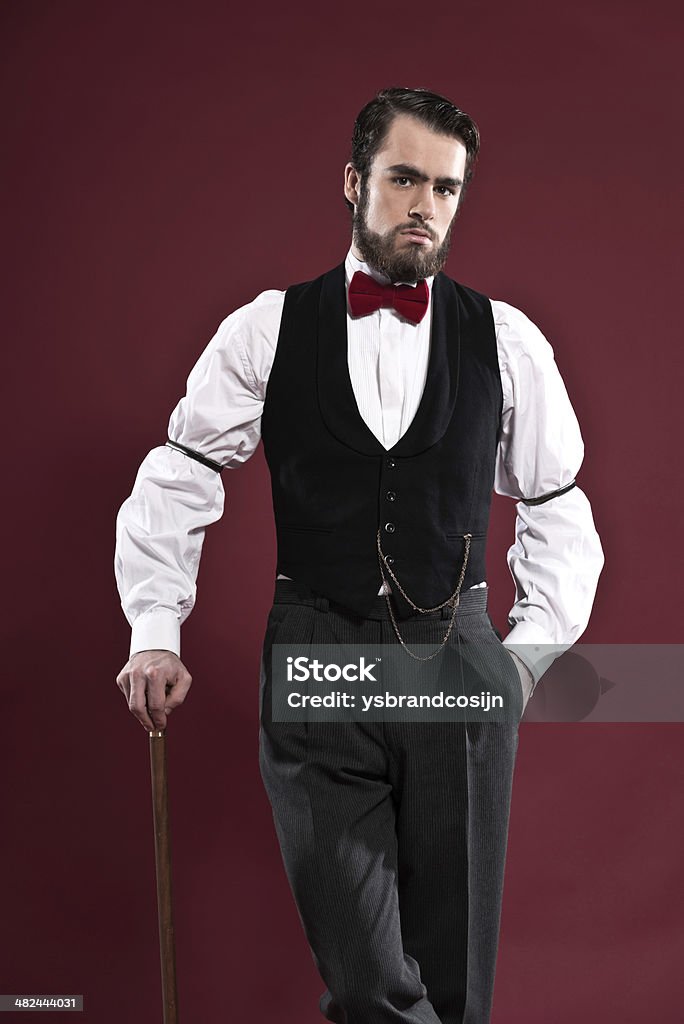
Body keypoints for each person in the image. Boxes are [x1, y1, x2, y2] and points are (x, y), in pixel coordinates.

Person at [115, 87, 604, 1024]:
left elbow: (557, 503)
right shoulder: (265, 328)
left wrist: (525, 661)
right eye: (405, 178)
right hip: (318, 662)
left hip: (456, 662)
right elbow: (178, 473)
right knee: (367, 977)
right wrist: (153, 626)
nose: (428, 204)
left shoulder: (506, 339)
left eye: (449, 188)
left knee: (456, 988)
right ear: (353, 182)